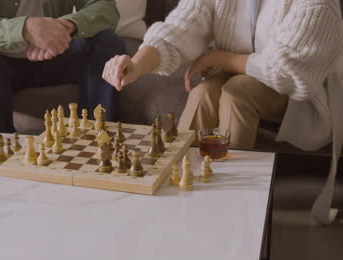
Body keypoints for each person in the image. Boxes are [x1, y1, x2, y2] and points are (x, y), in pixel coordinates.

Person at [103, 0, 343, 224]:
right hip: (238, 74)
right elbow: (180, 28)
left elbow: (288, 72)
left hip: (301, 92)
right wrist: (136, 64)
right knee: (203, 93)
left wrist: (219, 58)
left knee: (236, 95)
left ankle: (232, 210)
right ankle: (175, 195)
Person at [0, 0, 125, 133]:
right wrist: (24, 29)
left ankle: (95, 139)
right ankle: (3, 150)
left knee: (108, 42)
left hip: (53, 55)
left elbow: (105, 7)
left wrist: (67, 25)